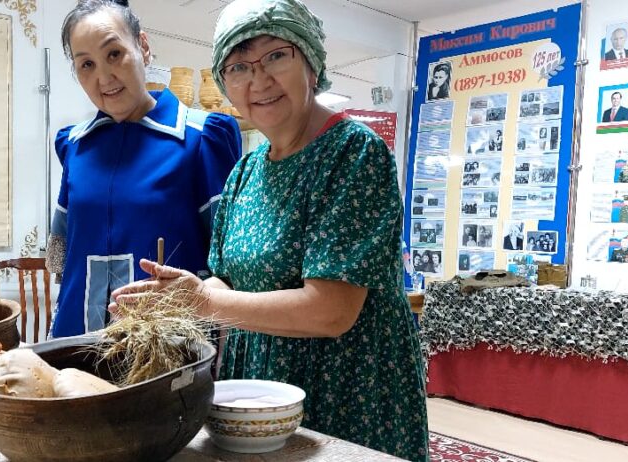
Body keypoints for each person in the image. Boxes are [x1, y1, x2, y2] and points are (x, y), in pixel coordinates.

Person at [111, 1, 428, 459]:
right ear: (226, 85)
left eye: (276, 56)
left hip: (345, 389)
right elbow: (227, 280)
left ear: (311, 64)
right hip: (259, 392)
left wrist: (204, 302)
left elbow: (332, 310)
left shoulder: (353, 153)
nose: (258, 81)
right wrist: (177, 297)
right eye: (238, 67)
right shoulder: (245, 171)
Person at [47, 0, 241, 338]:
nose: (103, 77)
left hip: (166, 349)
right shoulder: (74, 145)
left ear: (143, 47)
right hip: (77, 343)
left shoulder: (200, 138)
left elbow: (231, 267)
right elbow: (63, 258)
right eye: (86, 64)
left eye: (114, 54)